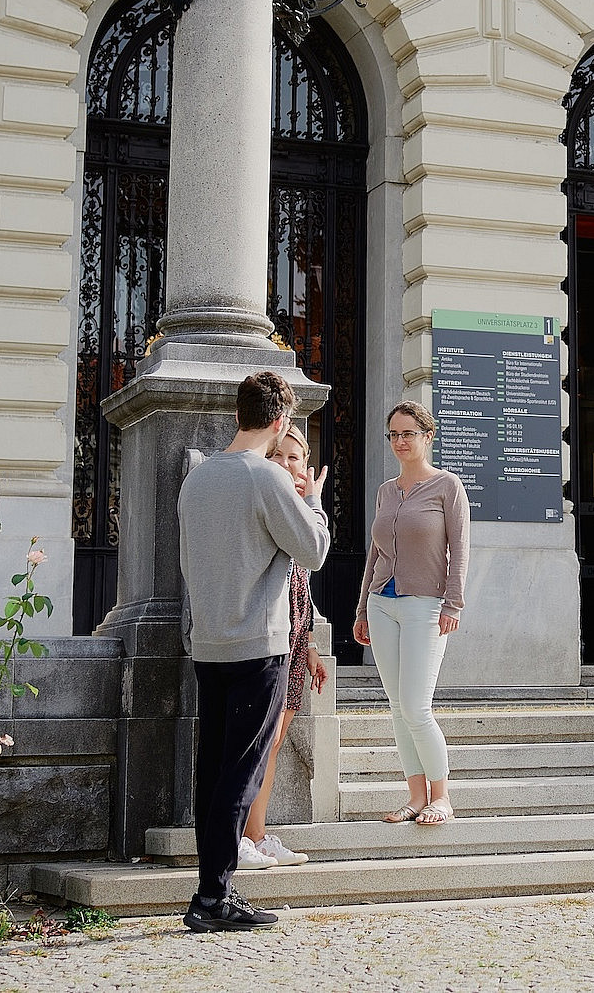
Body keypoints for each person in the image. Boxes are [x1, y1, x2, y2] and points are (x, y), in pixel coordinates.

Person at [176, 371, 330, 933]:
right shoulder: (267, 479)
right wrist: (311, 500)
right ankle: (213, 898)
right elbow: (312, 551)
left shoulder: (196, 480)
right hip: (258, 646)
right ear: (280, 421)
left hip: (210, 643)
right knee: (240, 774)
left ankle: (210, 891)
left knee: (212, 772)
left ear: (238, 415)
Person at [351, 400, 468, 827]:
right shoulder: (386, 490)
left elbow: (460, 550)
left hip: (426, 607)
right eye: (394, 434)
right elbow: (374, 554)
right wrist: (363, 608)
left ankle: (443, 796)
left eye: (408, 433)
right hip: (383, 605)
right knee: (398, 707)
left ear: (427, 436)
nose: (400, 441)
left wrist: (452, 604)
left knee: (417, 706)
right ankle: (416, 795)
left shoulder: (447, 486)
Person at [235, 421, 330, 872]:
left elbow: (303, 579)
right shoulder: (271, 501)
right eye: (278, 456)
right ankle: (241, 837)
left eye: (295, 458)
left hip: (293, 640)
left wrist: (308, 641)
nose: (287, 465)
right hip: (264, 637)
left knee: (271, 744)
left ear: (307, 467)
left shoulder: (299, 507)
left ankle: (258, 835)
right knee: (255, 742)